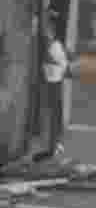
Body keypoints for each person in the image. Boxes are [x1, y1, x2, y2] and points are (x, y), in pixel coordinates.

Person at [35, 9, 70, 163]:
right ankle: (52, 146)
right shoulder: (50, 44)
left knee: (54, 115)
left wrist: (53, 62)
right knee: (50, 115)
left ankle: (54, 145)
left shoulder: (55, 45)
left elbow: (62, 64)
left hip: (54, 81)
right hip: (51, 81)